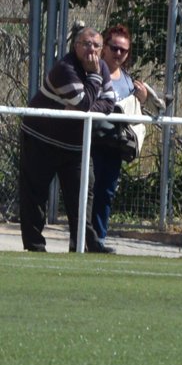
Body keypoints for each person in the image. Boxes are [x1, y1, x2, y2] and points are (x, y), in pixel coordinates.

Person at [19, 24, 115, 253]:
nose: (91, 50)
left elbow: (109, 102)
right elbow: (83, 103)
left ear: (102, 50)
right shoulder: (66, 68)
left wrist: (87, 104)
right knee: (35, 195)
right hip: (41, 138)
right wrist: (92, 81)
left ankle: (83, 242)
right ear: (75, 46)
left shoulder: (101, 67)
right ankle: (34, 246)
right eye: (85, 44)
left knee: (83, 194)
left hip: (75, 144)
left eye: (96, 45)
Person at [91, 24, 151, 253]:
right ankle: (80, 239)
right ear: (104, 47)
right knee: (87, 190)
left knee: (106, 193)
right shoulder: (92, 72)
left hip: (114, 145)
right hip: (91, 141)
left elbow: (133, 114)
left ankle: (98, 240)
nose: (118, 54)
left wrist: (142, 100)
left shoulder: (128, 81)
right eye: (114, 48)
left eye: (123, 51)